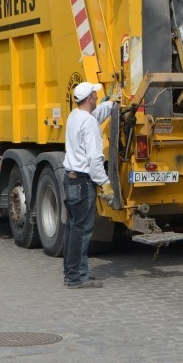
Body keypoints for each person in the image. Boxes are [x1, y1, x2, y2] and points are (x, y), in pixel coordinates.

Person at [62, 82, 115, 289]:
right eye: (95, 94)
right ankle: (77, 278)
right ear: (90, 98)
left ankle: (74, 271)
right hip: (83, 182)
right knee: (82, 231)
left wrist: (111, 104)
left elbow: (95, 116)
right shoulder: (89, 123)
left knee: (73, 229)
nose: (96, 96)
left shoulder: (75, 116)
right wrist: (105, 184)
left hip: (71, 179)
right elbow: (94, 159)